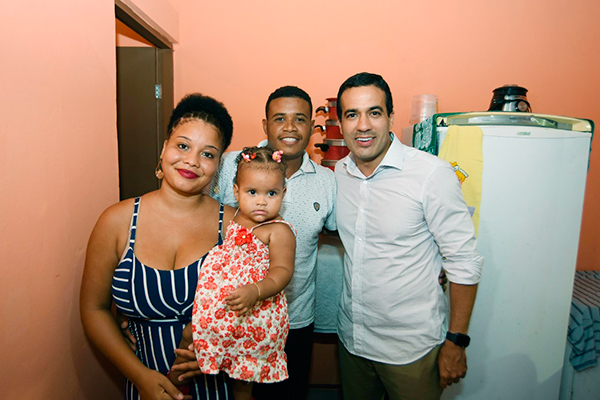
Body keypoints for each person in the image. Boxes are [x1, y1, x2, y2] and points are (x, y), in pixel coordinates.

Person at [169, 86, 337, 400]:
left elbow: (348, 234)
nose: (289, 127)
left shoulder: (327, 181)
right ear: (265, 125)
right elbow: (189, 210)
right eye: (279, 118)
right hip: (224, 312)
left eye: (300, 119)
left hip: (292, 319)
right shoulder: (230, 164)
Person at [334, 72, 484, 400]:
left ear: (391, 117)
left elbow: (463, 260)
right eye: (352, 114)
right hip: (353, 341)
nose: (363, 125)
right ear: (341, 123)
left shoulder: (431, 174)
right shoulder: (340, 173)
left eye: (374, 112)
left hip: (411, 350)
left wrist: (456, 341)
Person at [80, 93, 236, 400]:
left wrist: (225, 347)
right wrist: (140, 377)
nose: (192, 161)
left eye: (207, 154)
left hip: (216, 386)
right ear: (164, 148)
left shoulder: (234, 227)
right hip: (144, 387)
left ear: (218, 164)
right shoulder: (117, 221)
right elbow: (94, 309)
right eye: (183, 146)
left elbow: (259, 310)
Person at [169, 146, 297, 400]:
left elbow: (283, 272)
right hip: (223, 305)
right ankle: (175, 383)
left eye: (271, 193)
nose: (261, 201)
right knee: (190, 335)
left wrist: (256, 291)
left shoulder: (279, 231)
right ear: (237, 192)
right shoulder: (234, 217)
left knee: (243, 371)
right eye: (252, 192)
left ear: (283, 192)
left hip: (255, 311)